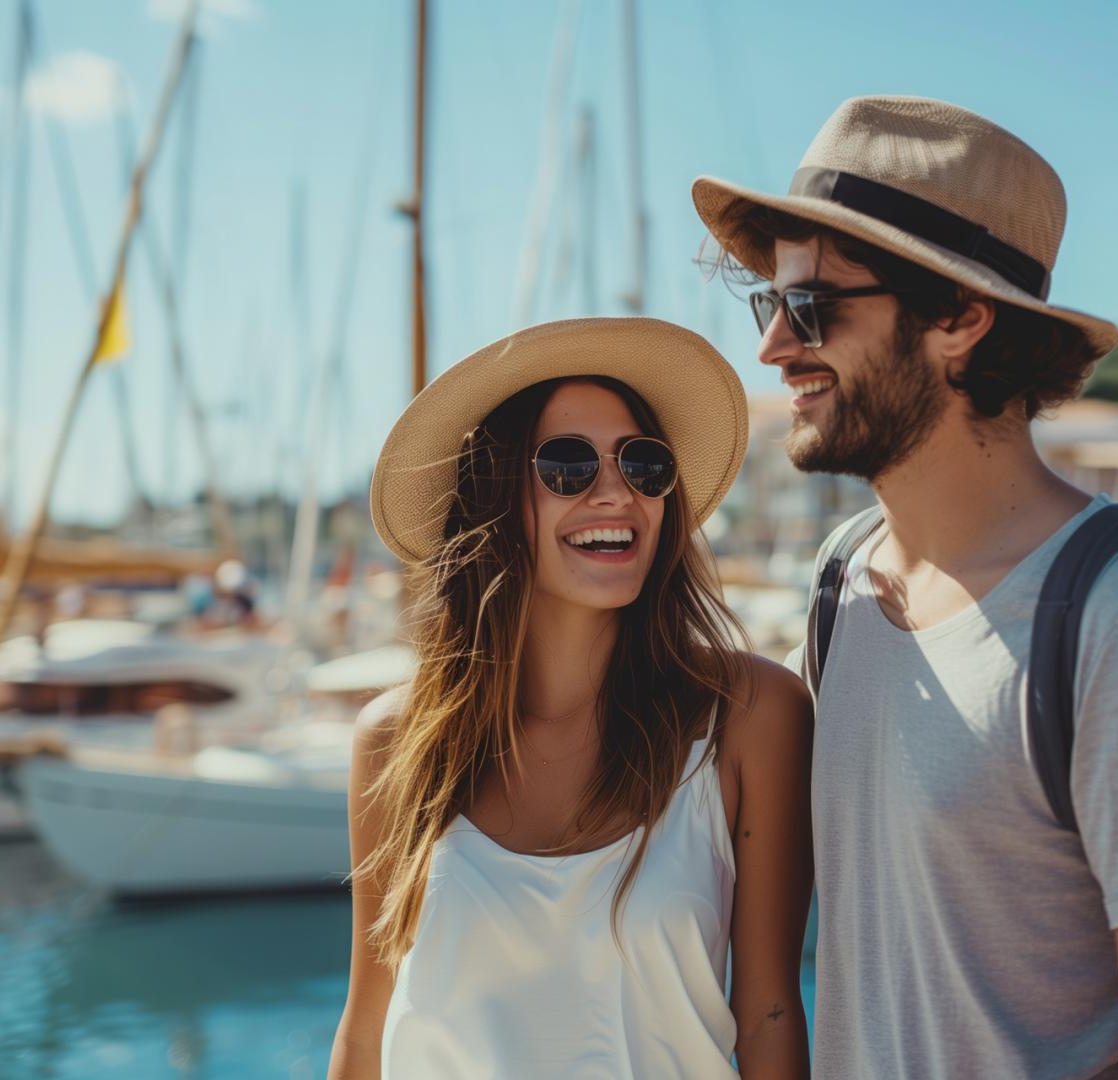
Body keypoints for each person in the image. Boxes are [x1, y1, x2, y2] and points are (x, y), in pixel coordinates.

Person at [693, 95, 1118, 1079]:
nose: (774, 348)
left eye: (812, 309)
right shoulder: (844, 582)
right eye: (771, 306)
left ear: (960, 318)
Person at [329, 318, 814, 1079]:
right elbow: (366, 1032)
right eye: (567, 465)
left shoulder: (752, 715)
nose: (616, 492)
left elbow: (769, 1019)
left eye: (644, 465)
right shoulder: (396, 740)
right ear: (492, 496)